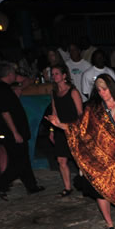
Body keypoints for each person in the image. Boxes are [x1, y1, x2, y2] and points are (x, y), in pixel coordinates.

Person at [47, 74, 115, 229]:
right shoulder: (94, 109)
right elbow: (79, 129)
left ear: (112, 88)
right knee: (100, 189)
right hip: (99, 159)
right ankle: (109, 224)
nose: (102, 93)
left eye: (104, 89)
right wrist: (59, 125)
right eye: (98, 90)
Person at [0, 62, 45, 200]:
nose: (15, 75)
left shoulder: (4, 88)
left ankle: (31, 186)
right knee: (18, 162)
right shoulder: (1, 90)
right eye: (14, 73)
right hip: (11, 132)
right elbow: (5, 112)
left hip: (16, 130)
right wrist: (15, 132)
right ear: (9, 74)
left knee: (23, 158)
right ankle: (0, 185)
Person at [48, 64, 83, 196]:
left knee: (79, 160)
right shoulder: (54, 93)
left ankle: (88, 183)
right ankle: (67, 187)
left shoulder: (73, 91)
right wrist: (52, 130)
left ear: (64, 76)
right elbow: (54, 112)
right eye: (53, 74)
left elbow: (80, 113)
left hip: (72, 129)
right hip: (59, 130)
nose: (54, 76)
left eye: (57, 73)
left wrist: (78, 130)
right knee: (61, 160)